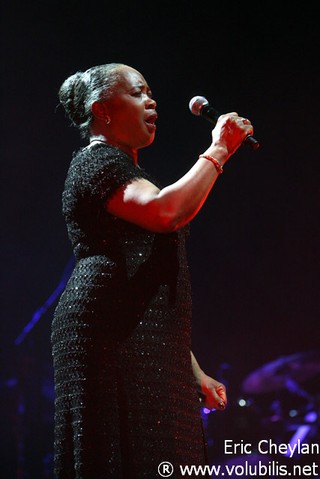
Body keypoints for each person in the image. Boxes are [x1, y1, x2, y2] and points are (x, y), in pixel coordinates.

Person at [51, 62, 254, 478]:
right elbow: (166, 211)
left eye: (149, 92)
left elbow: (148, 285)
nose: (151, 100)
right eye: (137, 92)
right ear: (102, 109)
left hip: (138, 335)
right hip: (108, 334)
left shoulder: (129, 172)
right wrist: (218, 150)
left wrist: (190, 368)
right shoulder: (96, 163)